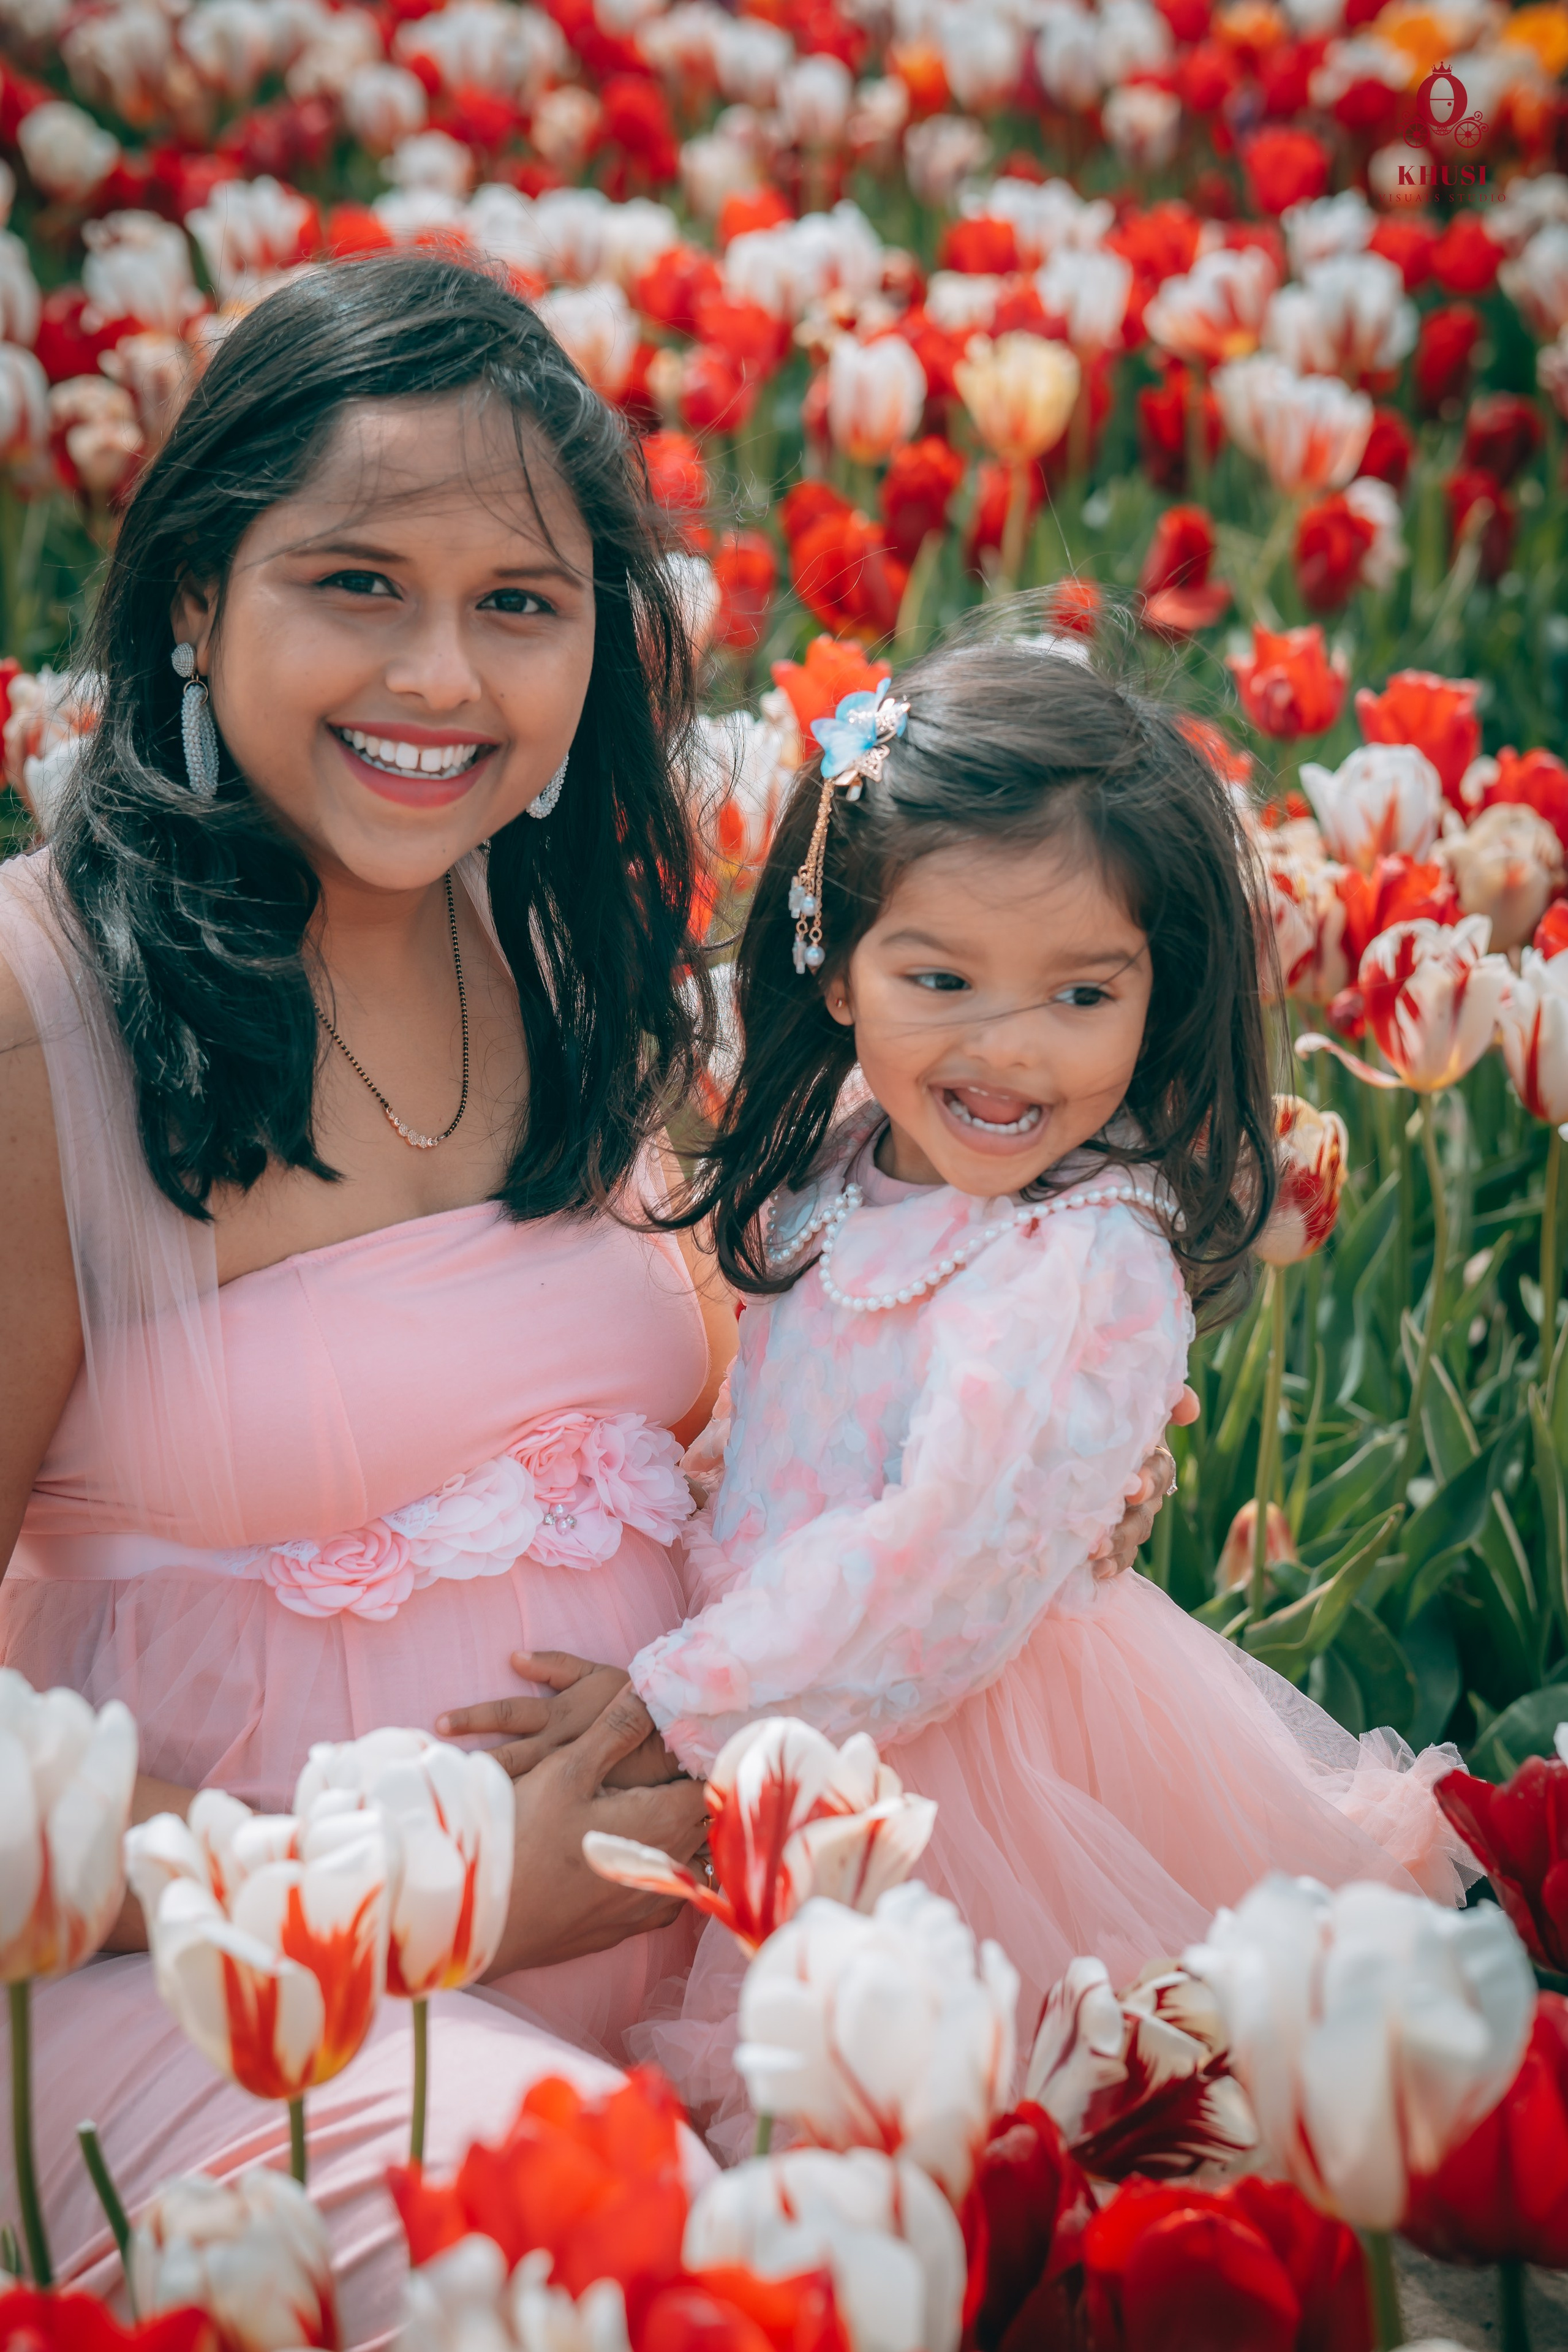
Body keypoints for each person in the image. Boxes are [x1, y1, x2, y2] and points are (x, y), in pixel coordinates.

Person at [0, 261, 1171, 2328]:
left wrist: (991, 1465)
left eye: (518, 604)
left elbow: (683, 1435)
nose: (440, 673)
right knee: (673, 2274)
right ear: (196, 594)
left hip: (703, 1940)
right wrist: (399, 1893)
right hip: (222, 1998)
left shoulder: (571, 976)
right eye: (356, 582)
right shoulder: (43, 1022)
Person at [454, 638, 1474, 2147]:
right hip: (786, 1701)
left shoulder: (1077, 1262)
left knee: (961, 2138)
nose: (1005, 1049)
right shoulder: (846, 1152)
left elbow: (937, 1560)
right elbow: (788, 1419)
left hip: (958, 1769)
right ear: (838, 965)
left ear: (1158, 992)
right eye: (940, 977)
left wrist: (681, 1695)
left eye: (1079, 993)